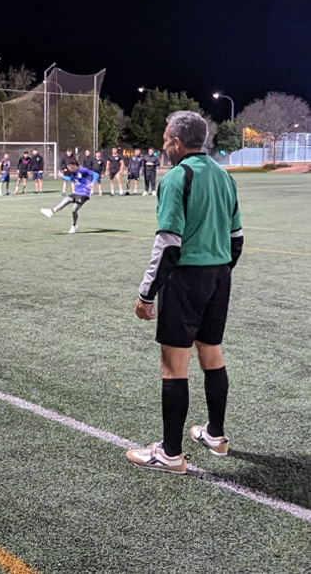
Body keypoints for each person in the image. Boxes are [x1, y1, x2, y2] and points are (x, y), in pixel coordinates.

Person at [125, 111, 244, 475]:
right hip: (219, 276)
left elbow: (168, 244)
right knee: (211, 353)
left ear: (178, 142)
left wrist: (147, 294)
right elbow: (236, 238)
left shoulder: (178, 177)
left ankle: (171, 454)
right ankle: (216, 436)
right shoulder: (224, 176)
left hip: (186, 279)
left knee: (173, 365)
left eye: (165, 140)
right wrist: (218, 273)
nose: (163, 145)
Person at [39, 158, 98, 234]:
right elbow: (71, 179)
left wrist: (92, 183)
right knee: (66, 200)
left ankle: (74, 225)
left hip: (84, 193)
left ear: (74, 166)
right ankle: (51, 211)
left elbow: (96, 174)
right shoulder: (73, 173)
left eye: (69, 167)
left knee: (74, 210)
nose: (68, 169)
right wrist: (62, 176)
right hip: (76, 192)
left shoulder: (83, 170)